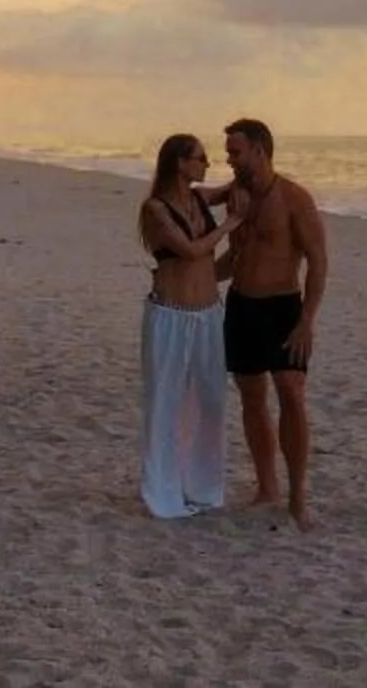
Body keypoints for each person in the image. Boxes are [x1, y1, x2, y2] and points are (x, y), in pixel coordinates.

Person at [220, 117, 328, 530]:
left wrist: (307, 322)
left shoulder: (294, 199)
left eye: (235, 152)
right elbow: (233, 257)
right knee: (251, 396)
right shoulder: (237, 197)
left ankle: (298, 497)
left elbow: (318, 262)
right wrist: (189, 282)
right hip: (242, 306)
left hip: (283, 308)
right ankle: (267, 487)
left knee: (291, 393)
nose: (229, 159)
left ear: (260, 152)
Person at [138, 132, 246, 519]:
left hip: (207, 314)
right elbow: (191, 250)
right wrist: (232, 223)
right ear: (180, 163)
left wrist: (250, 160)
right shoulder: (156, 209)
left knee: (210, 401)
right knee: (165, 404)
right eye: (200, 158)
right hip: (170, 315)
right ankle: (163, 494)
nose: (207, 164)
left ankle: (202, 488)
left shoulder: (200, 198)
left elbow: (236, 184)